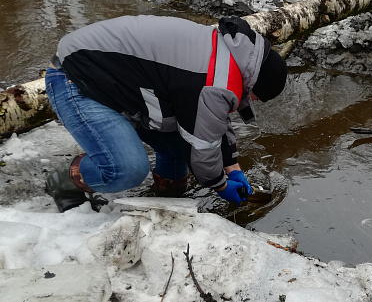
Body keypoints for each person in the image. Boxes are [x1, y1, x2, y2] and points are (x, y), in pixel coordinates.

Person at [44, 15, 288, 212]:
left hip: (117, 82)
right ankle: (64, 182)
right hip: (76, 78)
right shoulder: (215, 80)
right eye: (256, 97)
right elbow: (201, 144)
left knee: (178, 147)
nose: (250, 101)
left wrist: (231, 165)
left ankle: (167, 200)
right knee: (127, 169)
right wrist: (220, 185)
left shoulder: (229, 58)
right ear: (255, 83)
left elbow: (212, 122)